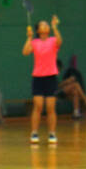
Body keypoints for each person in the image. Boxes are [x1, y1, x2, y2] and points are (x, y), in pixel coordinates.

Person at [23, 15, 62, 144]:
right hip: (38, 77)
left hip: (51, 77)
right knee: (38, 106)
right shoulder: (34, 42)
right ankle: (34, 133)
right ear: (38, 30)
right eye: (42, 25)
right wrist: (29, 37)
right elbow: (25, 52)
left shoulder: (52, 40)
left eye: (46, 25)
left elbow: (59, 42)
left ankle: (52, 133)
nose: (45, 26)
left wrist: (55, 27)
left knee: (51, 107)